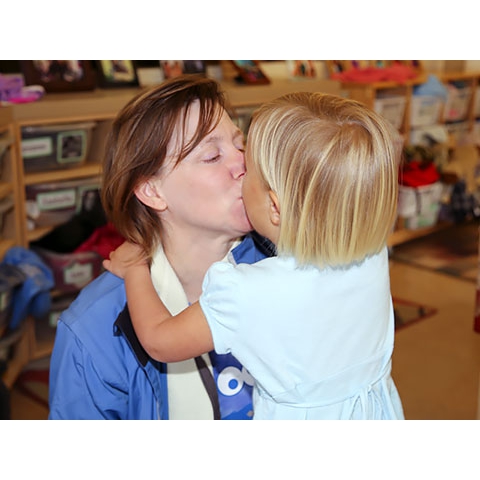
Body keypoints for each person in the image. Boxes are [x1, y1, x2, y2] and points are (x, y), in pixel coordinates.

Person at [103, 92, 406, 420]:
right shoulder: (372, 253)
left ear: (274, 206)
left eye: (248, 160)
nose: (240, 169)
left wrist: (135, 268)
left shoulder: (248, 291)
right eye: (214, 156)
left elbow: (160, 341)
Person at [48, 75, 274, 420]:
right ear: (153, 191)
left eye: (240, 145)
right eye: (212, 156)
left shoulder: (286, 265)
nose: (243, 164)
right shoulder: (94, 330)